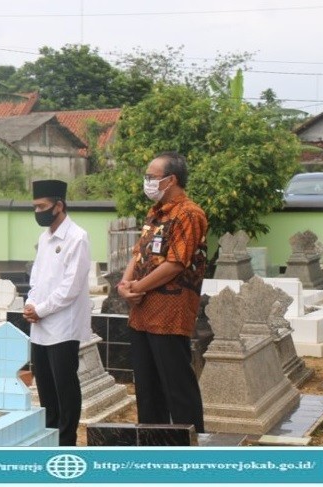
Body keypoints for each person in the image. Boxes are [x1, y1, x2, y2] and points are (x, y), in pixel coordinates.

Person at [118, 151, 208, 433]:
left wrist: (138, 288)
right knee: (147, 388)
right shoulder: (154, 213)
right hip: (141, 312)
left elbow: (175, 264)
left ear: (171, 180)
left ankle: (190, 450)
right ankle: (152, 446)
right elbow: (138, 253)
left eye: (152, 177)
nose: (147, 182)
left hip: (169, 313)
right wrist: (124, 285)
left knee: (177, 387)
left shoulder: (189, 214)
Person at [23, 179, 92, 446]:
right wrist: (31, 304)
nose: (37, 212)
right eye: (34, 207)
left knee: (65, 387)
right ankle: (49, 436)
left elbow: (71, 286)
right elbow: (37, 279)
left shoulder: (77, 237)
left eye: (42, 206)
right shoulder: (44, 237)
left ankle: (66, 441)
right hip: (39, 325)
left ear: (59, 205)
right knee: (45, 389)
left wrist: (41, 309)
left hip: (63, 325)